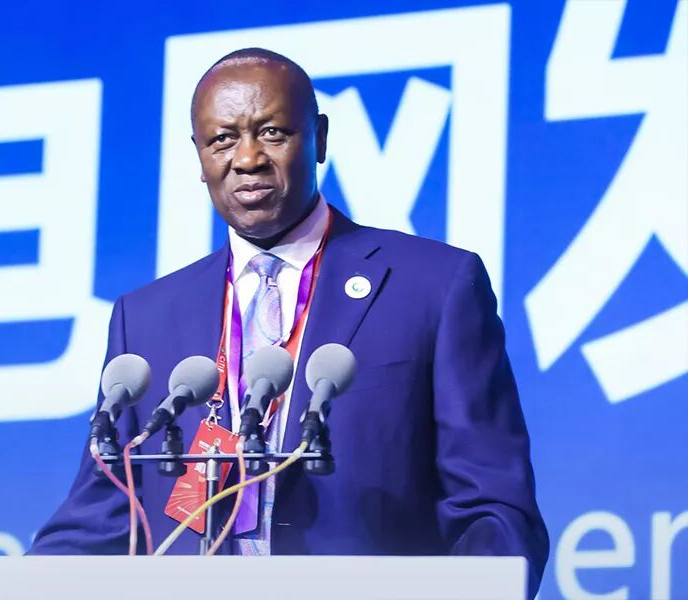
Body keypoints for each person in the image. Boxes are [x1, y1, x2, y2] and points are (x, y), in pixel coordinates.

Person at [30, 47, 548, 596]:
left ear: (319, 138)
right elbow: (104, 512)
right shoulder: (147, 318)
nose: (247, 159)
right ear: (199, 157)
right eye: (222, 139)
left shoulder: (432, 286)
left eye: (272, 133)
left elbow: (491, 504)